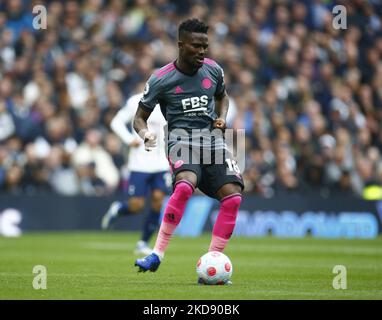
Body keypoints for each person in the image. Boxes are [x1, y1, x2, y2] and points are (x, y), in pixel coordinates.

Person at [133, 18, 244, 284]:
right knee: (185, 187)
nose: (202, 51)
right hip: (181, 140)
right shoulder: (161, 79)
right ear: (181, 45)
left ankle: (213, 261)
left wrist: (222, 117)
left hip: (212, 140)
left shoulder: (214, 70)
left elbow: (223, 96)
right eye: (196, 46)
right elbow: (139, 117)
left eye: (205, 46)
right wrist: (146, 134)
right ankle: (156, 254)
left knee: (233, 197)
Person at [101, 89, 170, 256]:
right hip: (140, 163)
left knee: (158, 201)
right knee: (136, 205)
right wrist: (128, 140)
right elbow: (116, 122)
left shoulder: (170, 100)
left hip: (161, 163)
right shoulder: (135, 101)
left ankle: (143, 242)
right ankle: (118, 209)